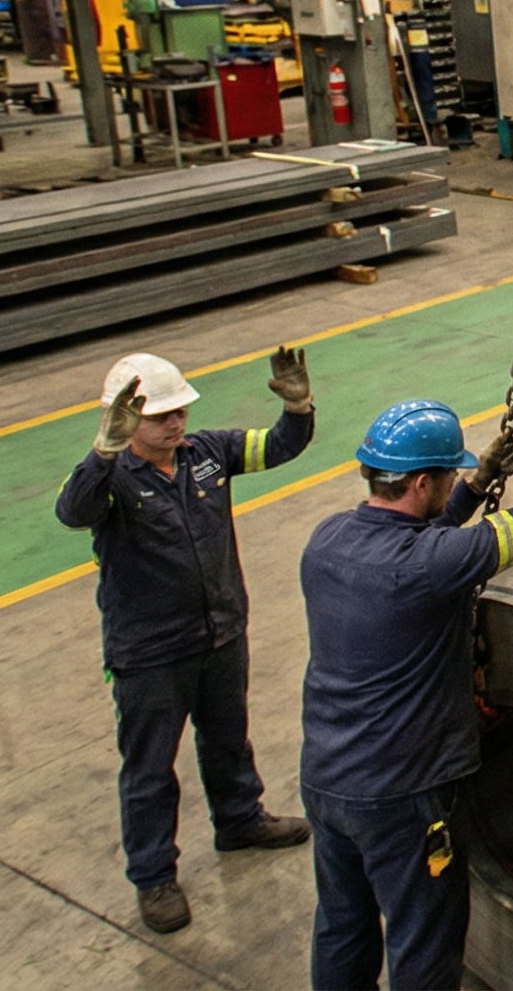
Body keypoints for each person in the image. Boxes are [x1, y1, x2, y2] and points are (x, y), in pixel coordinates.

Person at [297, 364, 513, 991]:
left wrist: (475, 487)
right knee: (424, 939)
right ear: (422, 482)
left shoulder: (327, 542)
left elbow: (417, 538)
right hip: (401, 796)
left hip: (327, 781)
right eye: (450, 477)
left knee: (343, 925)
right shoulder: (432, 565)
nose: (456, 482)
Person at [57, 348, 318, 934]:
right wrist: (103, 452)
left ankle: (239, 819)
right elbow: (71, 514)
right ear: (123, 419)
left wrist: (299, 409)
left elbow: (278, 446)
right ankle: (154, 876)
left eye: (180, 411)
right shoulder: (113, 479)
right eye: (160, 416)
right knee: (150, 769)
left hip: (221, 631)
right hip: (149, 653)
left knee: (228, 736)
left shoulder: (208, 454)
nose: (175, 424)